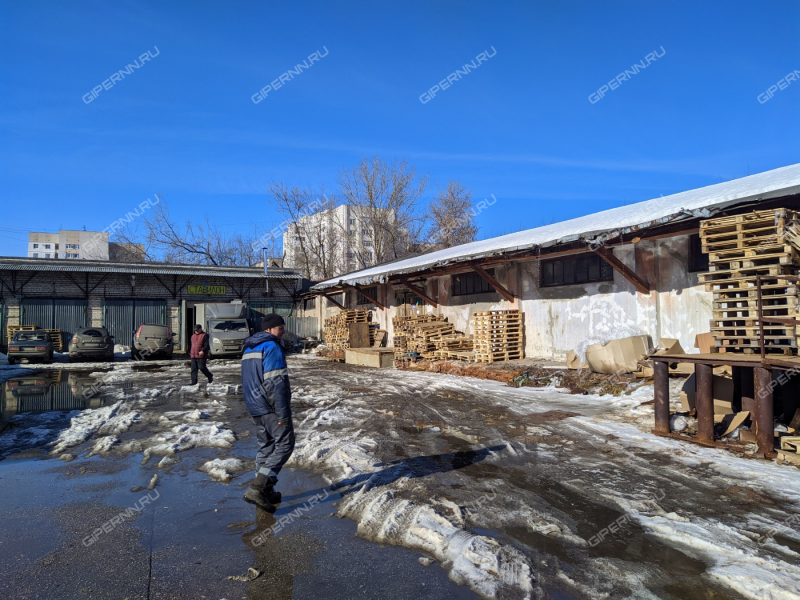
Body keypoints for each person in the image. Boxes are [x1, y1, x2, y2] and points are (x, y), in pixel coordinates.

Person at [241, 313, 294, 512]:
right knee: (285, 444)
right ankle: (258, 488)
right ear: (269, 330)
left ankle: (266, 491)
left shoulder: (249, 348)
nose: (283, 331)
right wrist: (282, 414)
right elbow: (276, 383)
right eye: (280, 328)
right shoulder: (272, 347)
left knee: (267, 446)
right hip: (270, 406)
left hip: (255, 405)